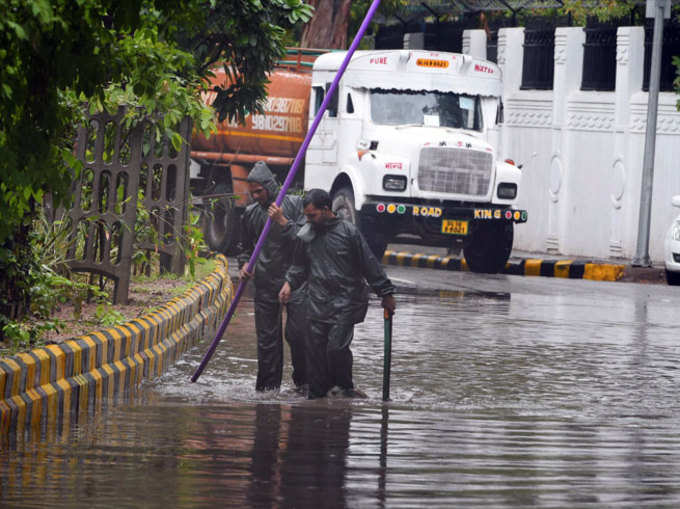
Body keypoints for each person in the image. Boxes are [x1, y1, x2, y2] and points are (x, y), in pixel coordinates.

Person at [279, 188, 396, 399]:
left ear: (325, 210)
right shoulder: (307, 234)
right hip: (316, 302)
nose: (309, 220)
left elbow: (369, 264)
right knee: (314, 353)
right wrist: (289, 283)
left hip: (345, 302)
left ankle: (344, 387)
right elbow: (299, 266)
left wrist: (386, 293)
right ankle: (317, 396)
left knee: (335, 348)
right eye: (306, 216)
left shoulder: (348, 232)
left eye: (312, 215)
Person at [238, 161, 307, 394]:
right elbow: (245, 247)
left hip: (296, 283)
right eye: (252, 192)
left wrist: (282, 221)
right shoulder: (250, 214)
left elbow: (306, 242)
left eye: (259, 191)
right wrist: (245, 264)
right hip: (266, 284)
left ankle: (304, 386)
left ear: (270, 186)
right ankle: (267, 391)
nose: (256, 196)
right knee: (267, 343)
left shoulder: (296, 205)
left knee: (298, 336)